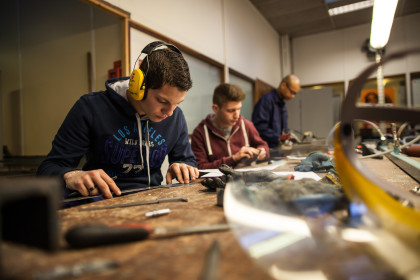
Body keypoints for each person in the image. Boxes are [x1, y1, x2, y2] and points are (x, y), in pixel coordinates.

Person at [37, 41, 199, 200]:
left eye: (177, 104)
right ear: (139, 85)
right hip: (102, 202)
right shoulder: (90, 108)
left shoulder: (175, 116)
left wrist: (183, 166)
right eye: (162, 101)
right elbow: (49, 168)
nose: (170, 112)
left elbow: (187, 160)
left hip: (153, 201)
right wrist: (71, 175)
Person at [190, 83, 269, 169]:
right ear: (215, 108)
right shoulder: (200, 133)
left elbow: (264, 146)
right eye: (231, 111)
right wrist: (234, 158)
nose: (237, 115)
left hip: (245, 180)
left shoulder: (246, 125)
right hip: (217, 181)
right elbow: (199, 168)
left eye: (239, 109)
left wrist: (261, 151)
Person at [252, 74, 301, 148]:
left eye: (295, 94)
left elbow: (282, 129)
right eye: (292, 92)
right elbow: (259, 127)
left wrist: (288, 137)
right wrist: (280, 138)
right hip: (266, 149)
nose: (293, 96)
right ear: (283, 85)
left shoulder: (282, 104)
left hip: (278, 149)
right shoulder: (266, 101)